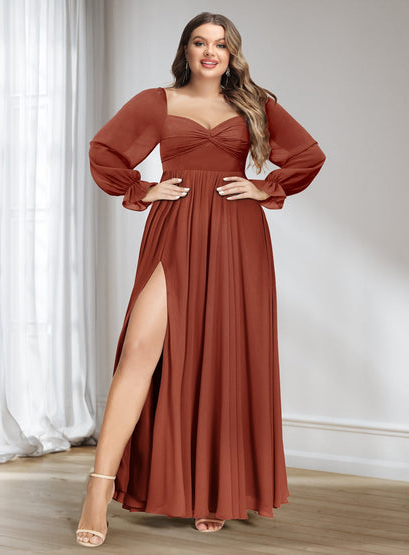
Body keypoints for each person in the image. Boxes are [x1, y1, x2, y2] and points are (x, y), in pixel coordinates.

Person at [76, 11, 326, 547]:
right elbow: (104, 151)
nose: (210, 52)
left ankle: (214, 491)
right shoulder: (157, 102)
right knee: (140, 351)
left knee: (222, 357)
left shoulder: (254, 103)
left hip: (237, 236)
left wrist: (264, 187)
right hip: (176, 228)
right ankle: (98, 488)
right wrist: (143, 188)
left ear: (232, 54)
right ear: (186, 51)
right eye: (199, 42)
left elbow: (309, 155)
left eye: (220, 44)